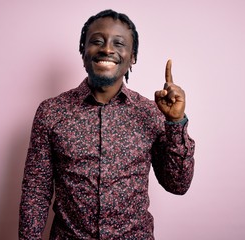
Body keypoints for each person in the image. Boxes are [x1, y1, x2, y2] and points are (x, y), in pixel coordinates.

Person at [19, 9, 195, 240]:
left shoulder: (150, 112)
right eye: (97, 41)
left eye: (119, 43)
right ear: (83, 51)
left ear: (132, 57)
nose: (107, 49)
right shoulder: (51, 112)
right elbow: (36, 192)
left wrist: (175, 122)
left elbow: (178, 185)